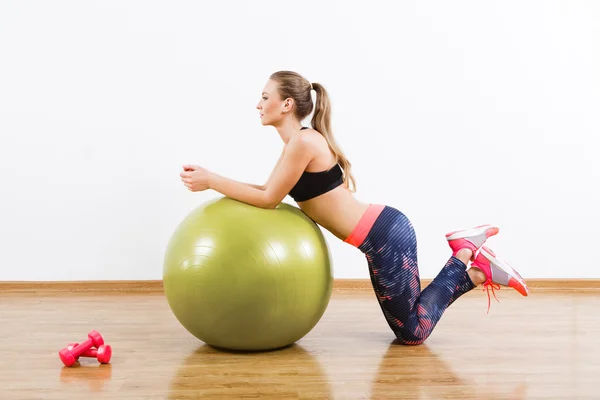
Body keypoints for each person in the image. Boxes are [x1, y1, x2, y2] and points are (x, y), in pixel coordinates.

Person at [179, 70, 529, 345]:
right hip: (380, 235)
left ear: (286, 104)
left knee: (412, 333)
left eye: (265, 96)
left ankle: (469, 259)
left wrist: (212, 180)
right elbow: (271, 191)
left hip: (384, 237)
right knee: (410, 328)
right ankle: (472, 263)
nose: (258, 103)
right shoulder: (297, 144)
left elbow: (269, 200)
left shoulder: (302, 142)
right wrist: (216, 179)